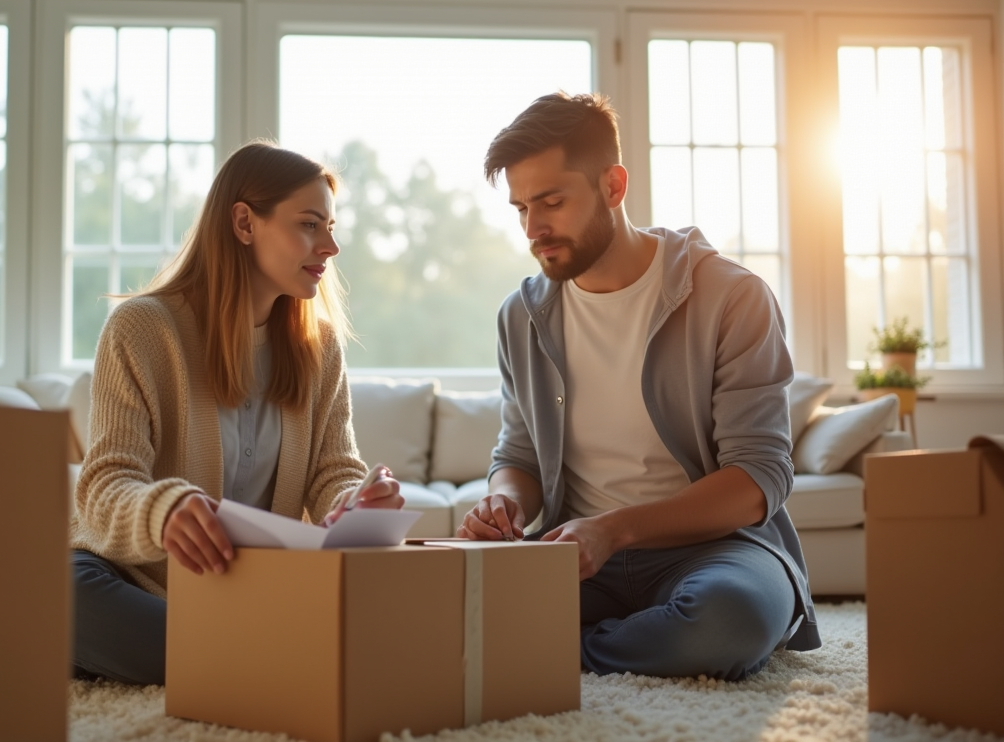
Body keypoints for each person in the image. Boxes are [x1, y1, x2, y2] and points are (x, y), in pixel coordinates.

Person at [456, 93, 820, 680]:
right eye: (521, 208)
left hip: (715, 549)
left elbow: (757, 479)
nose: (534, 228)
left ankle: (554, 646)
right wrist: (506, 503)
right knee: (433, 605)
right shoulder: (519, 316)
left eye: (551, 202)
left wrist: (615, 529)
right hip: (572, 557)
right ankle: (604, 640)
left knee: (727, 621)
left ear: (613, 186)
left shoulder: (732, 297)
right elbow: (517, 456)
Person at [70, 141, 404, 686]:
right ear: (245, 223)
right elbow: (104, 486)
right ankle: (264, 653)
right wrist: (165, 510)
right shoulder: (141, 328)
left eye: (331, 226)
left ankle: (234, 651)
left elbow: (332, 470)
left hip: (253, 587)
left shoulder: (318, 346)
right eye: (310, 225)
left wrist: (356, 502)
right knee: (64, 594)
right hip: (133, 580)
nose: (332, 245)